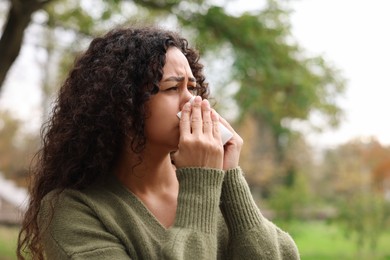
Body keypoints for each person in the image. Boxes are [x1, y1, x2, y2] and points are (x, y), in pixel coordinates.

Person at [17, 25, 300, 259]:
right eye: (171, 88)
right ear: (123, 105)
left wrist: (230, 179)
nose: (193, 101)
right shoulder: (74, 210)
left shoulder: (217, 189)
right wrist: (200, 181)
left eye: (192, 87)